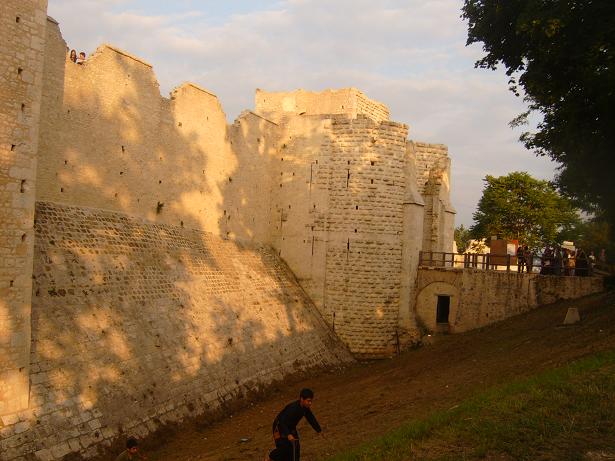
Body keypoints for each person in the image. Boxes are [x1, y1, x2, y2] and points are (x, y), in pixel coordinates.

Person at [267, 388, 322, 461]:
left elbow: (311, 418)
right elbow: (282, 421)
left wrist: (319, 430)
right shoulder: (293, 408)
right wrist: (288, 434)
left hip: (290, 427)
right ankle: (270, 457)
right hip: (279, 427)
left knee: (295, 448)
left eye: (311, 401)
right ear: (302, 399)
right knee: (284, 449)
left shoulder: (305, 408)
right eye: (308, 401)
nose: (310, 403)